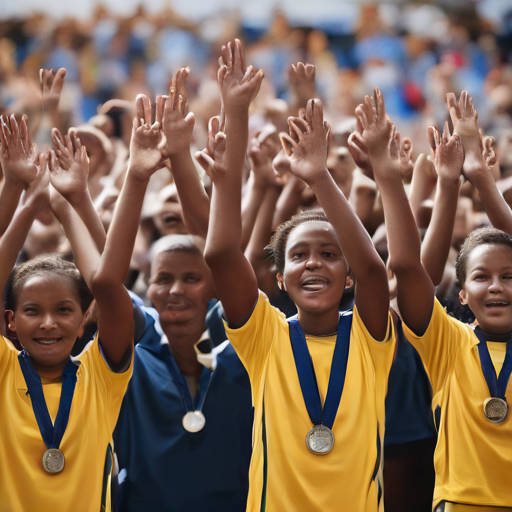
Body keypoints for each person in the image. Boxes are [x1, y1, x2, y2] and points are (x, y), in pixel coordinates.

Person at [203, 39, 395, 512]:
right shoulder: (264, 335)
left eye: (329, 255)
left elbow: (374, 270)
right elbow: (222, 252)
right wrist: (236, 113)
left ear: (347, 279)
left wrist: (319, 176)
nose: (313, 263)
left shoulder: (371, 335)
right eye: (299, 256)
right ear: (281, 279)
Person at [363, 87, 512, 511]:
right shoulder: (447, 341)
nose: (497, 286)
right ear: (462, 294)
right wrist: (436, 182)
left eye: (509, 276)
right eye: (482, 277)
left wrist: (482, 177)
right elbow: (409, 268)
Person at [112, 83, 253, 511]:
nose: (175, 290)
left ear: (213, 287)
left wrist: (182, 158)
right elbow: (105, 281)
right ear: (147, 288)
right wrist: (136, 175)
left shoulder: (246, 348)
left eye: (192, 278)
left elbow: (224, 251)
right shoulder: (132, 349)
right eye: (163, 280)